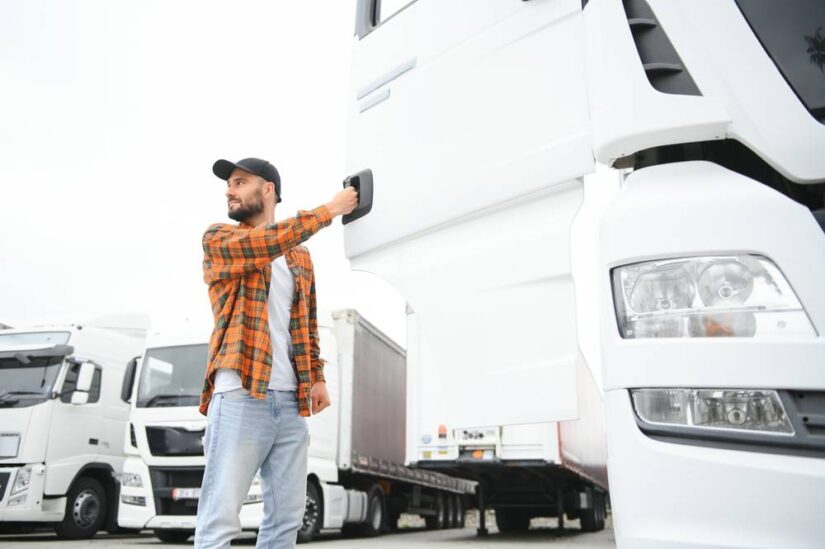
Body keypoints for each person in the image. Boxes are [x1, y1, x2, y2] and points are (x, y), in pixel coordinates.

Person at [194, 157, 358, 549]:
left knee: (286, 519)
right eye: (228, 184)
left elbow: (304, 324)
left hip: (289, 404)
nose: (229, 190)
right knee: (220, 518)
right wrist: (330, 210)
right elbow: (266, 242)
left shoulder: (300, 257)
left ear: (267, 189)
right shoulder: (219, 240)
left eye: (239, 182)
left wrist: (315, 376)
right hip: (239, 395)